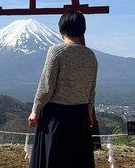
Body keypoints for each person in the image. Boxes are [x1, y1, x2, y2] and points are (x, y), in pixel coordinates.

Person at [28, 10, 97, 168]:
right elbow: (91, 89)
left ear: (62, 29)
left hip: (57, 117)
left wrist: (35, 110)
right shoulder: (90, 55)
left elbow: (46, 86)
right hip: (80, 117)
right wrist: (88, 112)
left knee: (53, 160)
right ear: (82, 30)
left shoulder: (57, 51)